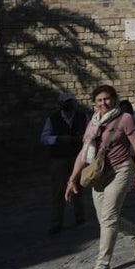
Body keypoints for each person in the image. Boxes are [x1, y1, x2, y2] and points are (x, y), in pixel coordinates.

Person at [64, 85, 135, 269]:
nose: (104, 103)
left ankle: (102, 264)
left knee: (109, 217)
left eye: (107, 99)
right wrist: (72, 179)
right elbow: (84, 153)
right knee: (105, 219)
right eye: (99, 100)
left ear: (115, 99)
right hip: (99, 174)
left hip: (120, 170)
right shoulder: (93, 122)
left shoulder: (125, 118)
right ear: (95, 102)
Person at [41, 91, 88, 234]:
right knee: (59, 189)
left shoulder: (81, 116)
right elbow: (44, 137)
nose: (69, 106)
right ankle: (57, 221)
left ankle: (80, 216)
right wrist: (58, 139)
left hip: (76, 156)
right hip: (59, 157)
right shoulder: (53, 119)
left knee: (78, 187)